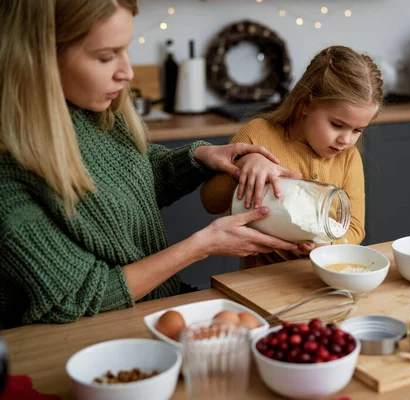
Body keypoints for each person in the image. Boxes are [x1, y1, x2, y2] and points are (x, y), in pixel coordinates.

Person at [0, 0, 301, 328]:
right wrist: (202, 245)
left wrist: (199, 156)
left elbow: (120, 186)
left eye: (125, 49)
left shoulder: (94, 108)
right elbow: (77, 296)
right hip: (79, 339)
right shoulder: (8, 168)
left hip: (149, 313)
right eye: (106, 56)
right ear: (39, 56)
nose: (127, 72)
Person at [200, 45, 384, 269]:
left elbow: (354, 228)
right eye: (337, 125)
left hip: (319, 277)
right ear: (306, 104)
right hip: (260, 281)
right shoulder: (260, 135)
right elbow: (210, 202)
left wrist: (329, 245)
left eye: (358, 130)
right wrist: (243, 165)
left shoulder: (347, 158)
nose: (346, 140)